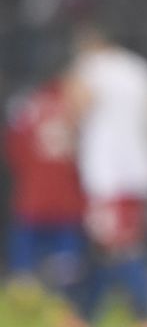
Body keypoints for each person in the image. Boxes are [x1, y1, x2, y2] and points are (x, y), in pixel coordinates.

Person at [65, 21, 147, 326]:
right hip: (141, 172)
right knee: (107, 246)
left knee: (121, 247)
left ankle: (146, 315)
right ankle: (83, 313)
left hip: (109, 173)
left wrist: (73, 141)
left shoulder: (91, 66)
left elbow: (76, 106)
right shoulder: (141, 70)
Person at [3, 76, 88, 326]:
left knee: (24, 269)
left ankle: (29, 310)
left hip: (32, 198)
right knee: (67, 267)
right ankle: (64, 314)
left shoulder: (27, 108)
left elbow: (13, 151)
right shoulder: (75, 110)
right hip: (66, 201)